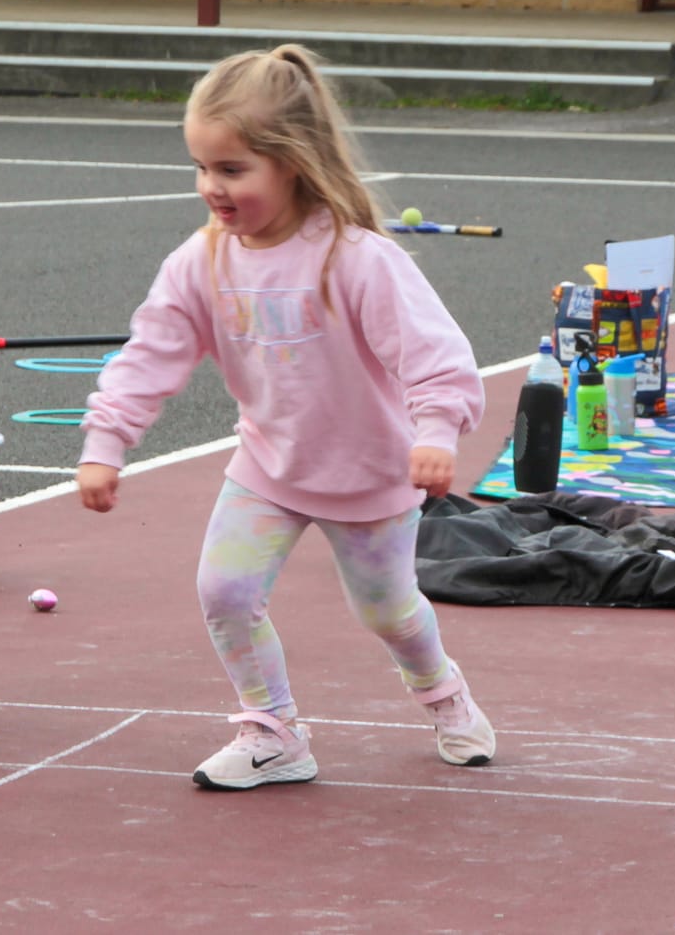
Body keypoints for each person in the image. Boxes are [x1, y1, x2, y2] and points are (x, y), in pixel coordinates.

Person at [76, 43, 495, 790]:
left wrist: (435, 430)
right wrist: (107, 439)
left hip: (370, 474)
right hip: (268, 468)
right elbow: (152, 352)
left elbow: (433, 351)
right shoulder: (202, 262)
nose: (212, 186)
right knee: (224, 590)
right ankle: (273, 729)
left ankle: (443, 691)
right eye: (202, 167)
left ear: (292, 163)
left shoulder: (355, 257)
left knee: (390, 612)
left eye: (233, 169)